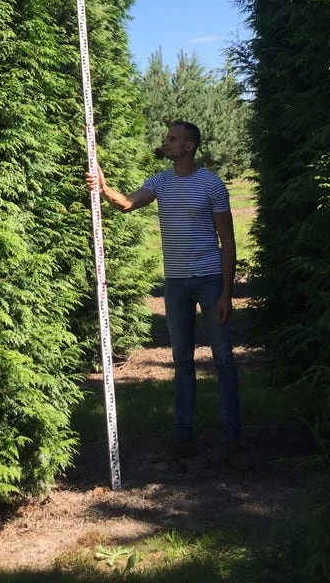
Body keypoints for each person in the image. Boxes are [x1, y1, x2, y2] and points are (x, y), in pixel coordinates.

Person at [87, 120, 251, 469]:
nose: (167, 142)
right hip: (175, 284)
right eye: (168, 138)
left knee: (223, 359)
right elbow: (127, 204)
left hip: (210, 279)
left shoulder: (212, 185)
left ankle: (233, 441)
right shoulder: (160, 182)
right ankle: (183, 437)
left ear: (189, 147)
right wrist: (103, 187)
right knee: (182, 361)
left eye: (173, 139)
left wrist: (227, 293)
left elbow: (228, 241)